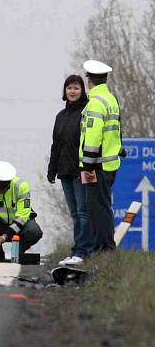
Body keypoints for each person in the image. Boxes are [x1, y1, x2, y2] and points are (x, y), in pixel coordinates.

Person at [48, 75, 91, 265]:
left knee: (83, 212)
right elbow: (56, 145)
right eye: (69, 88)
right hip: (64, 171)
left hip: (81, 170)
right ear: (64, 91)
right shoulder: (61, 116)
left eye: (76, 88)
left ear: (82, 91)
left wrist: (89, 166)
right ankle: (77, 251)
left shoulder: (87, 112)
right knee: (74, 213)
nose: (72, 91)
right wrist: (52, 170)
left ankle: (83, 251)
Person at [79, 59, 122, 254]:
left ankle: (103, 248)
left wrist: (87, 163)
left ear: (89, 80)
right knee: (103, 206)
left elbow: (94, 135)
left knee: (97, 208)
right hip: (110, 163)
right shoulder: (111, 99)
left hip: (97, 165)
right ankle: (104, 247)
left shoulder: (95, 103)